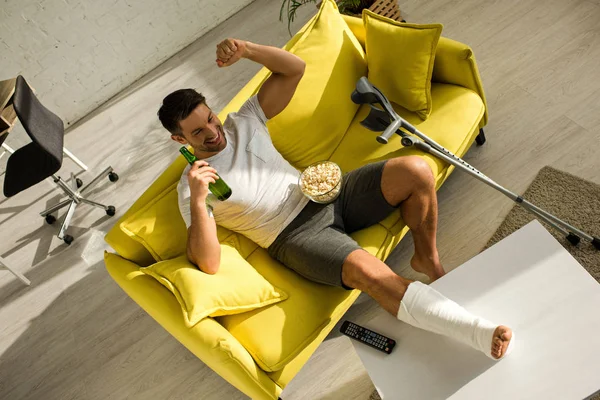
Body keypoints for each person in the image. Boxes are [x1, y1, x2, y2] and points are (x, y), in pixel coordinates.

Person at [158, 38, 513, 360]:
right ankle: (477, 332)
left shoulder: (243, 121)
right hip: (294, 236)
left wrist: (247, 51)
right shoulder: (193, 185)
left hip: (326, 192)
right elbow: (208, 262)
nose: (213, 132)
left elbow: (294, 69)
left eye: (210, 118)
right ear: (180, 140)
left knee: (417, 170)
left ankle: (427, 259)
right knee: (371, 275)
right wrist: (198, 200)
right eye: (198, 132)